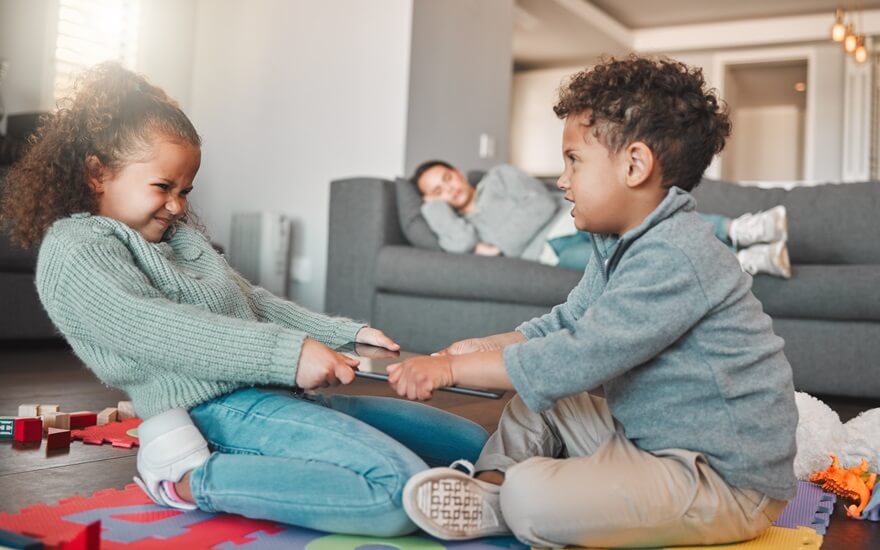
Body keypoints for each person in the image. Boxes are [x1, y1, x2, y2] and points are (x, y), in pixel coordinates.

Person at [0, 63, 488, 536]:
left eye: (185, 189)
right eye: (163, 187)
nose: (178, 204)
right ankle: (186, 481)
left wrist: (347, 335)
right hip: (213, 409)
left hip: (277, 395)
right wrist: (288, 353)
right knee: (395, 492)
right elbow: (154, 327)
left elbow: (248, 302)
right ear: (97, 173)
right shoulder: (76, 248)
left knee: (475, 446)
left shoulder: (177, 238)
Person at [386, 56, 798, 548]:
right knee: (535, 406)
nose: (562, 180)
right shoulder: (617, 243)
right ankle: (488, 488)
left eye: (574, 160)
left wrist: (450, 375)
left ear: (634, 165)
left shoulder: (676, 253)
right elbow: (565, 323)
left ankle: (511, 499)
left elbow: (578, 355)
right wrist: (474, 349)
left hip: (722, 480)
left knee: (532, 496)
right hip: (647, 438)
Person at [412, 160, 791, 278]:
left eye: (447, 179)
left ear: (458, 173)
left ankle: (742, 228)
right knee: (639, 262)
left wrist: (502, 245)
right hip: (552, 254)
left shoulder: (499, 177)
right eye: (436, 191)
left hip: (574, 218)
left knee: (653, 225)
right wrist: (434, 209)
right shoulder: (463, 229)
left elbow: (540, 209)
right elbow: (459, 246)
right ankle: (747, 261)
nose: (448, 190)